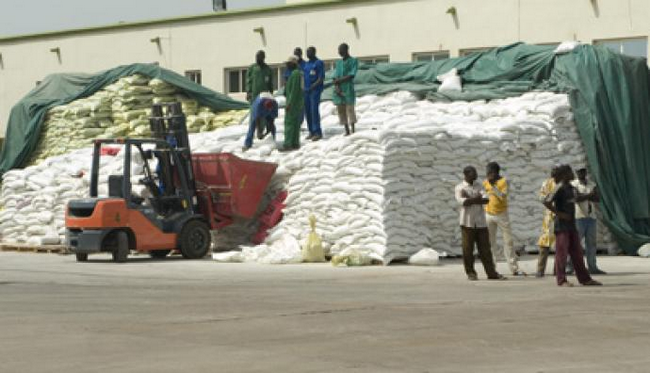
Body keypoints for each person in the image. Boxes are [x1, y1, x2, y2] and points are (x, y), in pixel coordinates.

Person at [543, 165, 602, 287]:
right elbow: (546, 201)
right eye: (570, 172)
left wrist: (591, 194)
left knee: (577, 253)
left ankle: (585, 279)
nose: (572, 174)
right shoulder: (558, 187)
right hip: (561, 226)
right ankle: (561, 280)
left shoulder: (571, 187)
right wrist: (560, 214)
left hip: (571, 226)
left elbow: (578, 198)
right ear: (564, 174)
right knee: (562, 254)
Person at [455, 166, 505, 281]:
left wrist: (470, 198)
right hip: (467, 223)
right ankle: (471, 273)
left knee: (485, 250)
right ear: (466, 174)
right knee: (468, 250)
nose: (476, 175)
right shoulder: (459, 187)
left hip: (481, 223)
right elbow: (464, 202)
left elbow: (486, 200)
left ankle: (491, 273)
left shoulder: (480, 186)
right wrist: (476, 199)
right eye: (473, 173)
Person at [483, 162, 525, 276]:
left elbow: (502, 197)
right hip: (489, 214)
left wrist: (494, 186)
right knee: (490, 242)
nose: (488, 175)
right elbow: (484, 195)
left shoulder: (503, 182)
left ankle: (514, 268)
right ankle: (492, 268)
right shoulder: (485, 182)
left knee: (508, 241)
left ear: (496, 173)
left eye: (490, 173)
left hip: (501, 214)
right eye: (487, 173)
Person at [572, 167, 606, 275]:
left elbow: (598, 198)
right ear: (576, 173)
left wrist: (585, 196)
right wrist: (589, 195)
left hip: (591, 217)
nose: (581, 173)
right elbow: (576, 198)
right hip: (579, 217)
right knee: (575, 244)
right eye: (579, 172)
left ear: (585, 173)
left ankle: (592, 267)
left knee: (591, 244)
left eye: (583, 171)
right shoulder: (573, 184)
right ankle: (570, 267)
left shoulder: (592, 184)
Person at [536, 166, 559, 278]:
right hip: (549, 217)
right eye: (553, 171)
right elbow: (542, 198)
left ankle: (558, 270)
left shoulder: (564, 184)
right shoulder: (547, 183)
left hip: (560, 217)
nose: (553, 174)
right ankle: (540, 270)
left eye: (556, 171)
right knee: (544, 244)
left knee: (559, 245)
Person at [332, 43, 358, 136]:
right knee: (341, 110)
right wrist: (337, 88)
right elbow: (334, 77)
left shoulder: (353, 61)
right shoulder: (338, 63)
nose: (339, 53)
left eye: (341, 51)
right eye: (338, 51)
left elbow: (352, 74)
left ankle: (353, 130)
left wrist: (340, 80)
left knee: (350, 109)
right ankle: (346, 130)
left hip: (348, 88)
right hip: (339, 89)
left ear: (346, 50)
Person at [282, 56, 304, 151]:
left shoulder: (295, 74)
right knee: (295, 123)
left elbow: (294, 90)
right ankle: (295, 143)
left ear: (293, 64)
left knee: (289, 123)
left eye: (288, 63)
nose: (286, 65)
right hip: (296, 103)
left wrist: (290, 103)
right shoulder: (297, 74)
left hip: (293, 103)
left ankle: (288, 144)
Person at [303, 46, 325, 141]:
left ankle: (317, 132)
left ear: (314, 52)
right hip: (306, 91)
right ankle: (311, 131)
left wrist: (313, 86)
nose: (308, 54)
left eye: (309, 52)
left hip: (315, 91)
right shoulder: (307, 64)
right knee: (307, 111)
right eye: (307, 52)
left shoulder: (318, 63)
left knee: (314, 111)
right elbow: (304, 77)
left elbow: (321, 78)